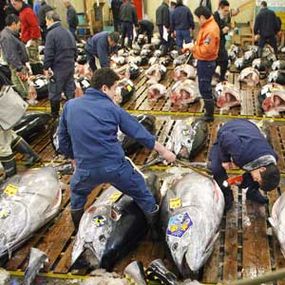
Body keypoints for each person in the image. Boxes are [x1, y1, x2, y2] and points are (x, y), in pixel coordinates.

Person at [58, 67, 176, 235]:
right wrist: (164, 152)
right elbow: (139, 133)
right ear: (104, 88)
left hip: (85, 169)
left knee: (76, 197)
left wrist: (72, 157)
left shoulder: (70, 106)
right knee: (143, 193)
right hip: (115, 168)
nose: (115, 94)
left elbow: (62, 138)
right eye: (114, 89)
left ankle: (79, 230)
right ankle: (155, 232)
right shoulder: (113, 109)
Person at [209, 119, 280, 212]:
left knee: (255, 176)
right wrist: (225, 160)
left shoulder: (272, 159)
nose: (255, 180)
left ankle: (252, 193)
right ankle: (226, 194)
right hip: (229, 130)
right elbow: (225, 136)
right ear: (262, 169)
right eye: (258, 179)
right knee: (216, 168)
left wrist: (243, 183)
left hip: (248, 129)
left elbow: (253, 173)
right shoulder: (241, 154)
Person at [183, 6, 219, 122]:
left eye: (198, 18)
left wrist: (193, 48)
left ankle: (209, 115)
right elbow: (202, 44)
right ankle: (209, 110)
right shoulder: (208, 26)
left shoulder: (210, 30)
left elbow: (207, 50)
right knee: (205, 86)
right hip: (204, 61)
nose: (198, 21)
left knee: (204, 88)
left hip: (206, 62)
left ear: (202, 17)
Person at [43, 10, 76, 119]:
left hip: (58, 68)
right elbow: (75, 49)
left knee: (54, 92)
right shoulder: (67, 32)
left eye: (46, 21)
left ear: (50, 20)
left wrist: (46, 67)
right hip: (70, 66)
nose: (46, 23)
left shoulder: (51, 34)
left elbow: (49, 53)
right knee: (69, 91)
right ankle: (73, 115)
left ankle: (54, 116)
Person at [0, 13, 29, 98]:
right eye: (19, 25)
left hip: (18, 66)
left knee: (24, 88)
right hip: (16, 68)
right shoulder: (7, 37)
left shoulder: (10, 35)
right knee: (22, 90)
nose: (20, 27)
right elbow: (11, 55)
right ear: (13, 24)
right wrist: (20, 68)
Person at [10, 0, 41, 74]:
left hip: (31, 40)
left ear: (20, 2)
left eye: (15, 4)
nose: (14, 7)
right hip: (27, 39)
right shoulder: (22, 11)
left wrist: (33, 39)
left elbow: (34, 25)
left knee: (33, 61)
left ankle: (39, 76)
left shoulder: (27, 12)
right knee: (32, 60)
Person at [213, 0, 230, 82]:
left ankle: (219, 77)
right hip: (215, 45)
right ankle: (220, 78)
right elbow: (213, 32)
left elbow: (225, 24)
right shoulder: (214, 17)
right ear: (220, 8)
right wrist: (222, 31)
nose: (227, 12)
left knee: (219, 62)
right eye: (225, 10)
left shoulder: (222, 17)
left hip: (221, 43)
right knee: (224, 61)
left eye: (228, 11)